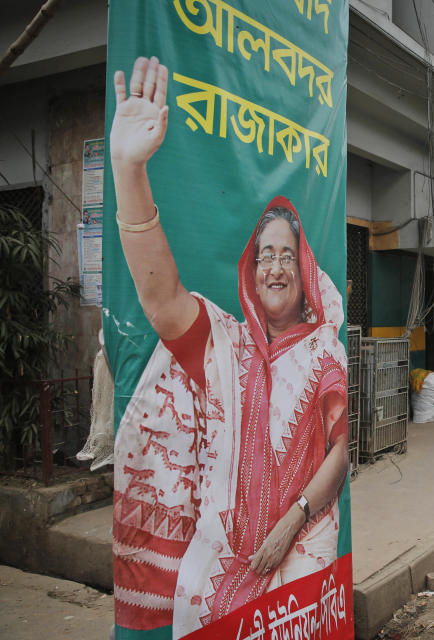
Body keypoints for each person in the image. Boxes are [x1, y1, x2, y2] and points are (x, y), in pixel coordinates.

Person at [108, 58, 348, 636]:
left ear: (305, 268)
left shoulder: (326, 354)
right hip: (219, 573)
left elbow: (340, 451)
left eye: (286, 254)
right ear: (249, 270)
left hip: (302, 551)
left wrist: (291, 523)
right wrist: (127, 169)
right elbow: (162, 300)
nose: (275, 265)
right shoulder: (225, 345)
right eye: (264, 254)